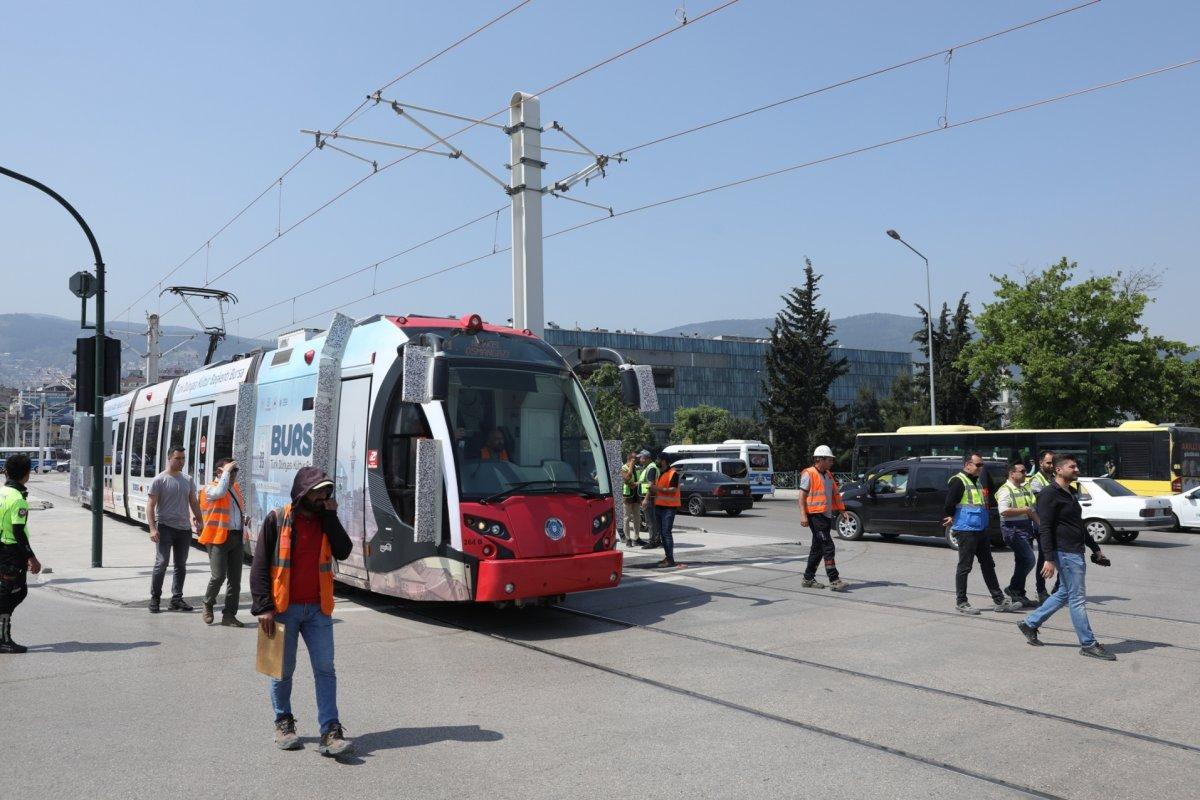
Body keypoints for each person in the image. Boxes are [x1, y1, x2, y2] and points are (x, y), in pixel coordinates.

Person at [251, 466, 355, 755]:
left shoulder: (326, 521)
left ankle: (330, 731)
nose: (324, 497)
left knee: (325, 669)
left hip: (318, 610)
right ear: (303, 493)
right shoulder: (277, 519)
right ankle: (283, 722)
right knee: (281, 671)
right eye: (319, 492)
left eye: (327, 492)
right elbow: (259, 565)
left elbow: (343, 550)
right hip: (282, 609)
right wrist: (263, 607)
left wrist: (331, 515)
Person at [1017, 454, 1116, 660]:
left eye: (1077, 465)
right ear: (1059, 470)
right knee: (1077, 599)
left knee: (1064, 593)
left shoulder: (1069, 492)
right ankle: (1088, 644)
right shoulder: (1048, 494)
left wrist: (1095, 548)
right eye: (1073, 466)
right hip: (1065, 552)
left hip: (1075, 550)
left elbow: (1078, 525)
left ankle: (1030, 623)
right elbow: (1045, 528)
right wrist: (1049, 558)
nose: (1077, 469)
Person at [942, 453, 1021, 615]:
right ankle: (962, 602)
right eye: (978, 465)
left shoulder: (976, 481)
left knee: (988, 565)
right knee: (965, 567)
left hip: (980, 529)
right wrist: (952, 516)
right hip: (965, 530)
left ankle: (999, 600)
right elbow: (949, 504)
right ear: (967, 465)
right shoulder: (958, 481)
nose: (981, 467)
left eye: (982, 465)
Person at [147, 446, 203, 614]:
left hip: (184, 529)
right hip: (165, 528)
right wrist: (152, 528)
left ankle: (176, 599)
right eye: (178, 458)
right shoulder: (159, 480)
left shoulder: (188, 479)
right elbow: (150, 505)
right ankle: (155, 598)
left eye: (183, 458)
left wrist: (200, 521)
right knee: (161, 563)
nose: (181, 462)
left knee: (181, 565)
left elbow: (193, 502)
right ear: (169, 458)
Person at [1, 453, 42, 654]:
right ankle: (3, 639)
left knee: (15, 591)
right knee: (10, 595)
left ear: (6, 472)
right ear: (27, 475)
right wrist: (31, 557)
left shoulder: (1, 493)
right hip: (11, 552)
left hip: (3, 549)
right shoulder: (18, 500)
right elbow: (18, 532)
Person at [199, 457, 246, 627]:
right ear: (219, 472)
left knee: (235, 580)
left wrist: (242, 520)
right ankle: (207, 603)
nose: (233, 475)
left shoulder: (236, 489)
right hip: (217, 538)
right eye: (230, 471)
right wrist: (226, 472)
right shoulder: (209, 489)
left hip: (236, 537)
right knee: (218, 576)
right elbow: (220, 493)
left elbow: (233, 511)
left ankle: (229, 615)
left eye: (235, 471)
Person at [798, 445, 850, 592]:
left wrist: (842, 510)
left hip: (826, 516)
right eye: (829, 460)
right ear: (819, 459)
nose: (831, 462)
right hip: (815, 516)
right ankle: (834, 579)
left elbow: (835, 494)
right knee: (828, 546)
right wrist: (803, 515)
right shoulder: (809, 474)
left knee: (818, 549)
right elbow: (802, 496)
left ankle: (808, 578)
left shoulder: (828, 475)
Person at [997, 463, 1040, 608]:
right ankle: (1013, 588)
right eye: (1022, 471)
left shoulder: (1023, 488)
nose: (1025, 473)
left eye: (1025, 470)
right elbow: (1003, 511)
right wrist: (1024, 510)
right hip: (1012, 531)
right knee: (1029, 560)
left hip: (1025, 529)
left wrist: (1041, 525)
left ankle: (1019, 595)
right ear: (1012, 473)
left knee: (1021, 562)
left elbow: (1031, 510)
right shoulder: (1005, 490)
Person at [1026, 450, 1056, 602]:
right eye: (1048, 463)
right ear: (1041, 463)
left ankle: (1058, 589)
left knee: (1059, 557)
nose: (1051, 465)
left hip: (1054, 524)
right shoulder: (1036, 480)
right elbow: (1043, 501)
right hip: (1042, 525)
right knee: (1045, 558)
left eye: (1053, 462)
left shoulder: (1053, 478)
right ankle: (1041, 590)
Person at [650, 455, 681, 568]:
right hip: (659, 506)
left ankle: (670, 560)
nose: (657, 461)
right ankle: (668, 557)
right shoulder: (661, 473)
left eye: (658, 459)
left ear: (664, 461)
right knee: (663, 534)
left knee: (666, 533)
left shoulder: (673, 473)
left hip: (669, 508)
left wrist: (656, 489)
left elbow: (673, 490)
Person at [636, 450, 660, 549]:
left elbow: (650, 485)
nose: (639, 460)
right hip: (651, 497)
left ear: (646, 458)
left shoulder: (651, 468)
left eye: (641, 457)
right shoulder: (650, 467)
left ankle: (652, 541)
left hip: (649, 498)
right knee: (653, 520)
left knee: (650, 521)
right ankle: (656, 540)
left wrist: (645, 499)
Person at [619, 452, 644, 547]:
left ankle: (636, 538)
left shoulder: (637, 468)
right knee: (627, 518)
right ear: (630, 459)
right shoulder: (624, 468)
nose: (637, 460)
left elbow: (641, 479)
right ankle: (628, 539)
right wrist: (631, 467)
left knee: (637, 517)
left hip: (636, 495)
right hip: (627, 495)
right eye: (635, 459)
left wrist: (636, 483)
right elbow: (627, 478)